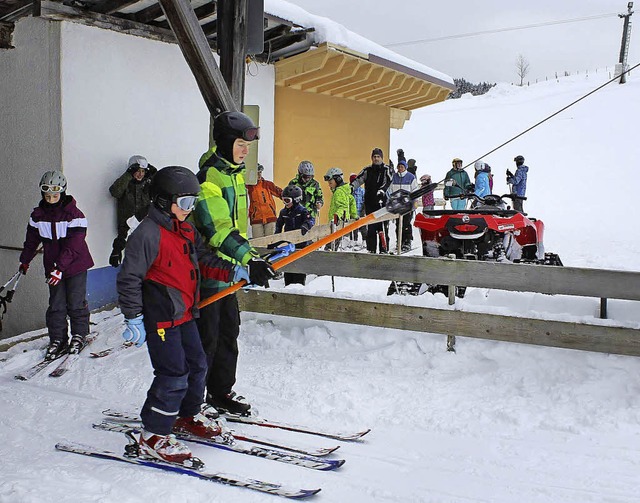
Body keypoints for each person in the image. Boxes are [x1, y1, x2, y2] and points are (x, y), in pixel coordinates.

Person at [117, 165, 250, 465]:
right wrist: (133, 317)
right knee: (173, 374)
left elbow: (202, 259)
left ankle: (188, 415)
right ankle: (153, 434)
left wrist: (234, 271)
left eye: (193, 203)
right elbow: (129, 278)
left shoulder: (185, 229)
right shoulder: (147, 235)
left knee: (197, 364)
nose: (190, 210)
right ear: (165, 201)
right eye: (185, 203)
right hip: (161, 319)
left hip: (186, 314)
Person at [194, 111, 276, 416]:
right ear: (227, 142)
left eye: (248, 145)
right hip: (210, 274)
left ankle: (220, 391)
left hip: (230, 275)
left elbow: (239, 228)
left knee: (229, 333)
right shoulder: (209, 179)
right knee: (207, 339)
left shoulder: (235, 174)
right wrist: (247, 259)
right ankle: (192, 400)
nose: (245, 150)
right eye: (240, 144)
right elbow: (217, 229)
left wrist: (251, 259)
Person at [19, 170, 94, 360]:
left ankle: (79, 335)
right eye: (47, 195)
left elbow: (74, 246)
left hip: (74, 266)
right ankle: (58, 339)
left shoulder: (75, 215)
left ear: (62, 193)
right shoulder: (37, 216)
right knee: (56, 305)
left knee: (75, 302)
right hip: (53, 267)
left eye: (55, 195)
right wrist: (25, 260)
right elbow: (31, 240)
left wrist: (59, 269)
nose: (51, 199)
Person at [108, 155, 157, 267]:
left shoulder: (147, 184)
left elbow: (160, 190)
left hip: (145, 229)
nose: (140, 174)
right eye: (137, 171)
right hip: (127, 230)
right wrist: (127, 175)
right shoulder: (125, 184)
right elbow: (115, 192)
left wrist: (155, 174)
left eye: (143, 171)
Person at [351, 148, 393, 254]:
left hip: (382, 203)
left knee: (382, 228)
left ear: (382, 158)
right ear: (371, 158)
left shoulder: (386, 169)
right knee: (371, 228)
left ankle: (384, 249)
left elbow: (388, 181)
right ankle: (371, 249)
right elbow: (358, 180)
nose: (376, 159)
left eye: (378, 157)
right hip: (370, 203)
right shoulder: (367, 170)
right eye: (374, 157)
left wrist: (382, 190)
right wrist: (350, 188)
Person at [275, 184, 315, 286]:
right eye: (283, 200)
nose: (285, 203)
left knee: (299, 272)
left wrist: (306, 225)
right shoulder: (283, 212)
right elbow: (279, 224)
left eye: (287, 200)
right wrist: (276, 236)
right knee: (288, 270)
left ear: (296, 199)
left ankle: (299, 287)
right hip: (288, 246)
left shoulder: (302, 211)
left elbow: (310, 220)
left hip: (301, 245)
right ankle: (287, 286)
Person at [387, 160, 418, 252]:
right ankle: (399, 241)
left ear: (405, 167)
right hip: (397, 204)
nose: (400, 168)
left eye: (402, 167)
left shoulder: (410, 177)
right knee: (398, 223)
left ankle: (407, 241)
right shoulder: (394, 177)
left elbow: (415, 190)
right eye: (399, 167)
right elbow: (390, 190)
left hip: (408, 204)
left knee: (406, 223)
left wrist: (415, 201)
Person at [247, 163, 282, 238]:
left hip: (270, 217)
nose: (259, 175)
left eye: (260, 172)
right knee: (258, 243)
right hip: (256, 218)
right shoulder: (249, 187)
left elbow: (281, 193)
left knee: (271, 241)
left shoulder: (268, 184)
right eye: (257, 173)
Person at [349, 173, 367, 245]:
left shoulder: (362, 191)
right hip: (353, 212)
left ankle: (364, 240)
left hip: (361, 211)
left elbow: (365, 200)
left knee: (363, 227)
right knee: (352, 226)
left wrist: (364, 209)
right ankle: (353, 239)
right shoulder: (350, 191)